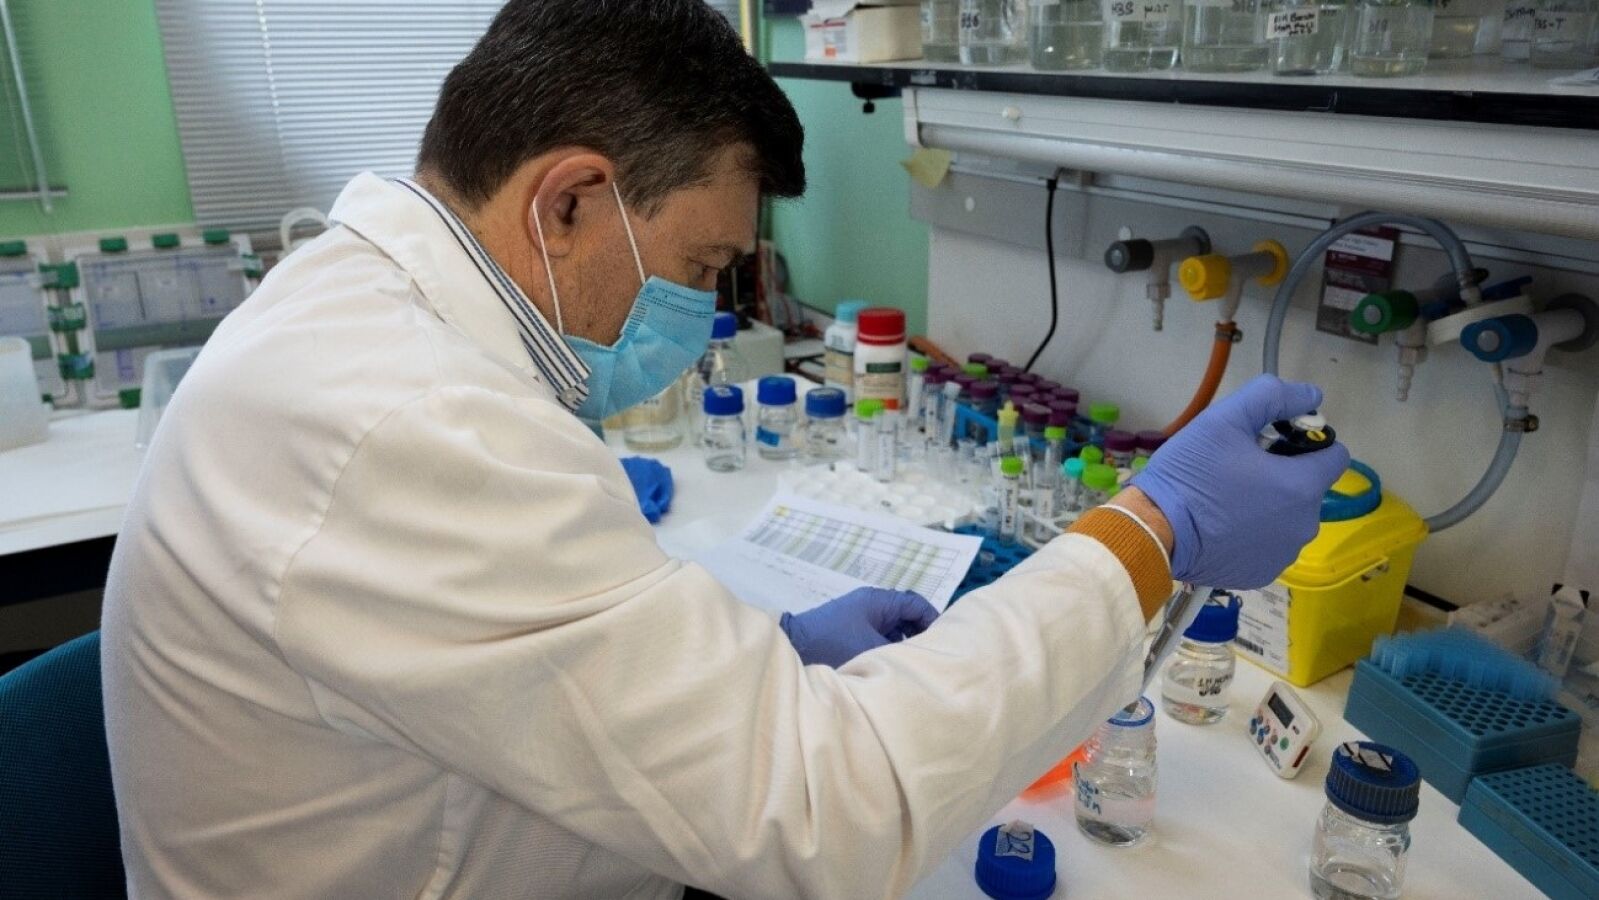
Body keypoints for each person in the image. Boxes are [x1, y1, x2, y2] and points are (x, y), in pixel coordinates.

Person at [99, 1, 1349, 897]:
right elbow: (829, 817)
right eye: (702, 268)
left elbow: (524, 657)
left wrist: (767, 656)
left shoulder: (359, 310)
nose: (701, 321)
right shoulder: (410, 421)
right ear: (569, 201)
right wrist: (1151, 530)